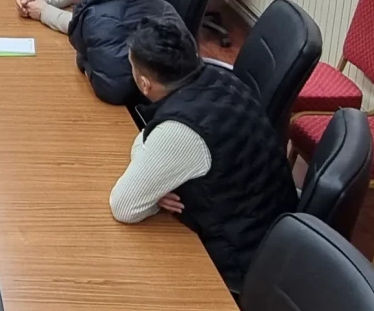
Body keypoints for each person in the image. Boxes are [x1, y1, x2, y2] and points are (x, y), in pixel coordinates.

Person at [109, 17, 297, 290]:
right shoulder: (219, 77)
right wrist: (153, 175)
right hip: (273, 232)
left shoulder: (181, 130)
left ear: (145, 84)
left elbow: (124, 206)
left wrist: (151, 187)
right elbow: (148, 138)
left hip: (240, 263)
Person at [63, 0, 181, 105]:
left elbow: (113, 90)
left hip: (158, 99)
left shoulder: (97, 19)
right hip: (180, 70)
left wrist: (84, 62)